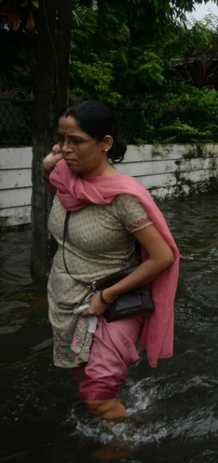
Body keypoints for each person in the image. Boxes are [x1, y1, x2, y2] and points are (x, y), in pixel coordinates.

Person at [41, 100, 179, 420]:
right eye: (61, 139)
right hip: (67, 300)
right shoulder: (65, 180)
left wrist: (107, 295)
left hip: (112, 305)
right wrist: (49, 170)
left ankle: (128, 446)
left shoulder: (123, 198)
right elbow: (61, 202)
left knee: (97, 399)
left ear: (105, 144)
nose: (65, 149)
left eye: (75, 140)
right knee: (89, 384)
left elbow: (163, 257)